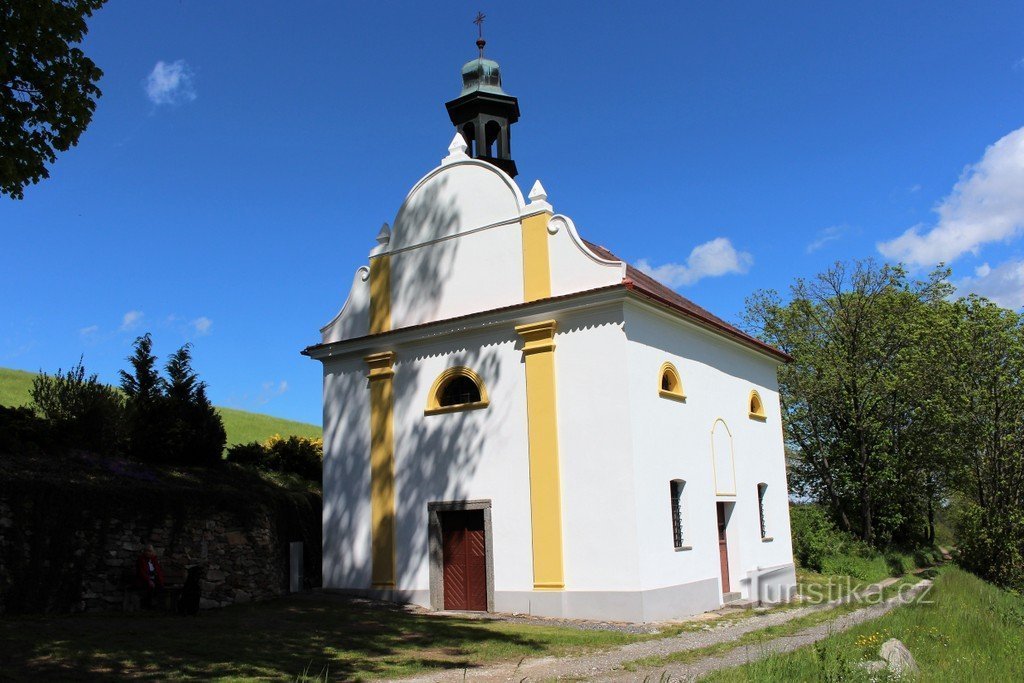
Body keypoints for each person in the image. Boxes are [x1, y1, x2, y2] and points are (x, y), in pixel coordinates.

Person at [135, 544, 165, 609]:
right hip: (144, 580)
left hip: (154, 579)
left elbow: (158, 571)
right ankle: (148, 605)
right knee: (149, 587)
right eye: (147, 551)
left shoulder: (154, 560)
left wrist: (160, 580)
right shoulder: (141, 560)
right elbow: (142, 572)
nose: (148, 553)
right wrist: (149, 580)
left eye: (150, 551)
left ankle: (159, 605)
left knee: (160, 587)